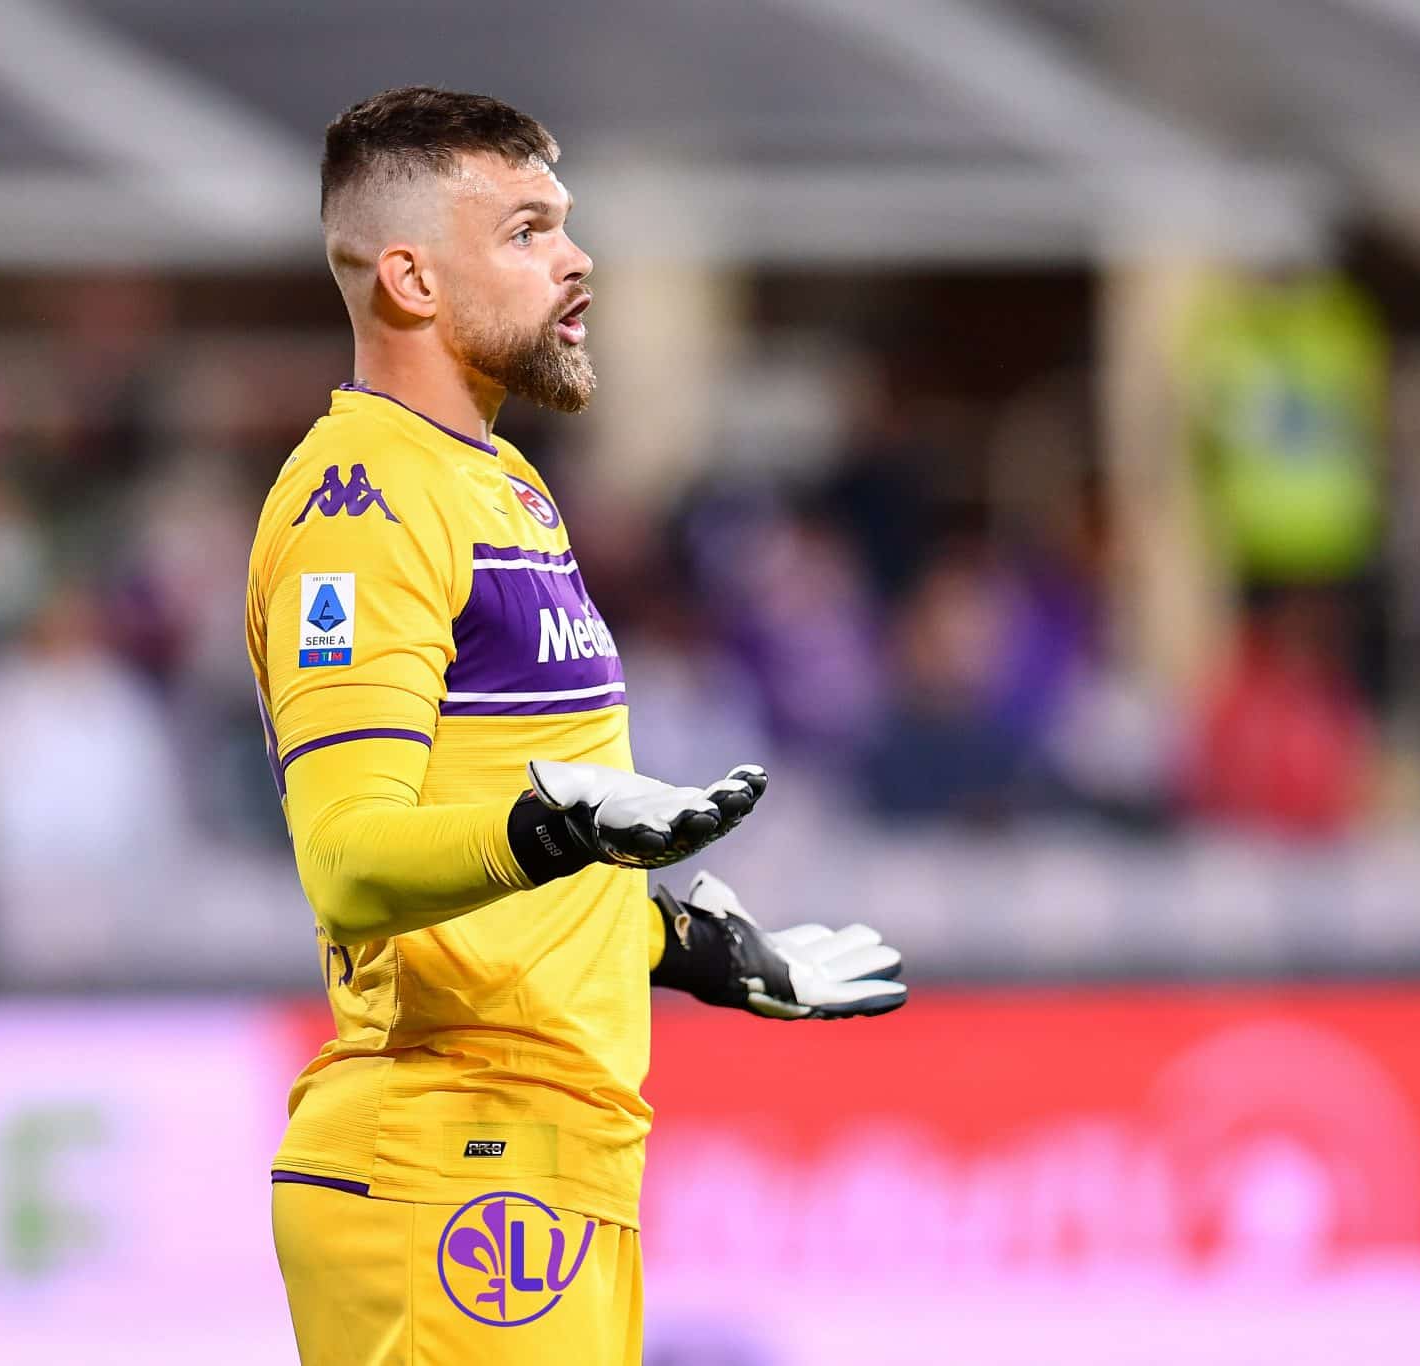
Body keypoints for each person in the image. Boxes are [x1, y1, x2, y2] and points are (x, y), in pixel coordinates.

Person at [247, 87, 909, 1365]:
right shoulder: (357, 507)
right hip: (452, 1164)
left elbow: (508, 855)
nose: (576, 258)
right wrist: (558, 831)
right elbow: (345, 858)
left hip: (547, 1155)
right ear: (410, 278)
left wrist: (679, 943)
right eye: (526, 230)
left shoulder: (501, 486)